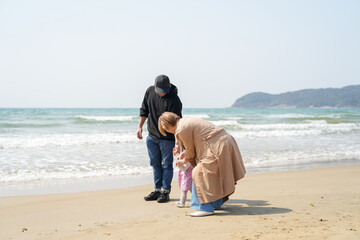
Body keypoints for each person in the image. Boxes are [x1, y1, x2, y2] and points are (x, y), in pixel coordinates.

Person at [158, 112, 246, 216]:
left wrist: (183, 160)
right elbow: (191, 143)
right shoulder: (183, 122)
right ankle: (214, 204)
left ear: (167, 126)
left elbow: (190, 152)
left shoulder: (181, 129)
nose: (168, 132)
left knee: (199, 172)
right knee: (215, 173)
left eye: (166, 129)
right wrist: (182, 152)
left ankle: (204, 207)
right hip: (225, 141)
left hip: (217, 144)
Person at [137, 75, 182, 203]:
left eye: (164, 92)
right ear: (154, 86)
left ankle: (165, 191)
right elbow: (144, 110)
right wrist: (140, 127)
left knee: (166, 165)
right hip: (151, 136)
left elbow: (177, 123)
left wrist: (178, 142)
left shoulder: (175, 100)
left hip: (167, 139)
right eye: (159, 91)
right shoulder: (150, 91)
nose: (161, 94)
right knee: (155, 163)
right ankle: (157, 190)